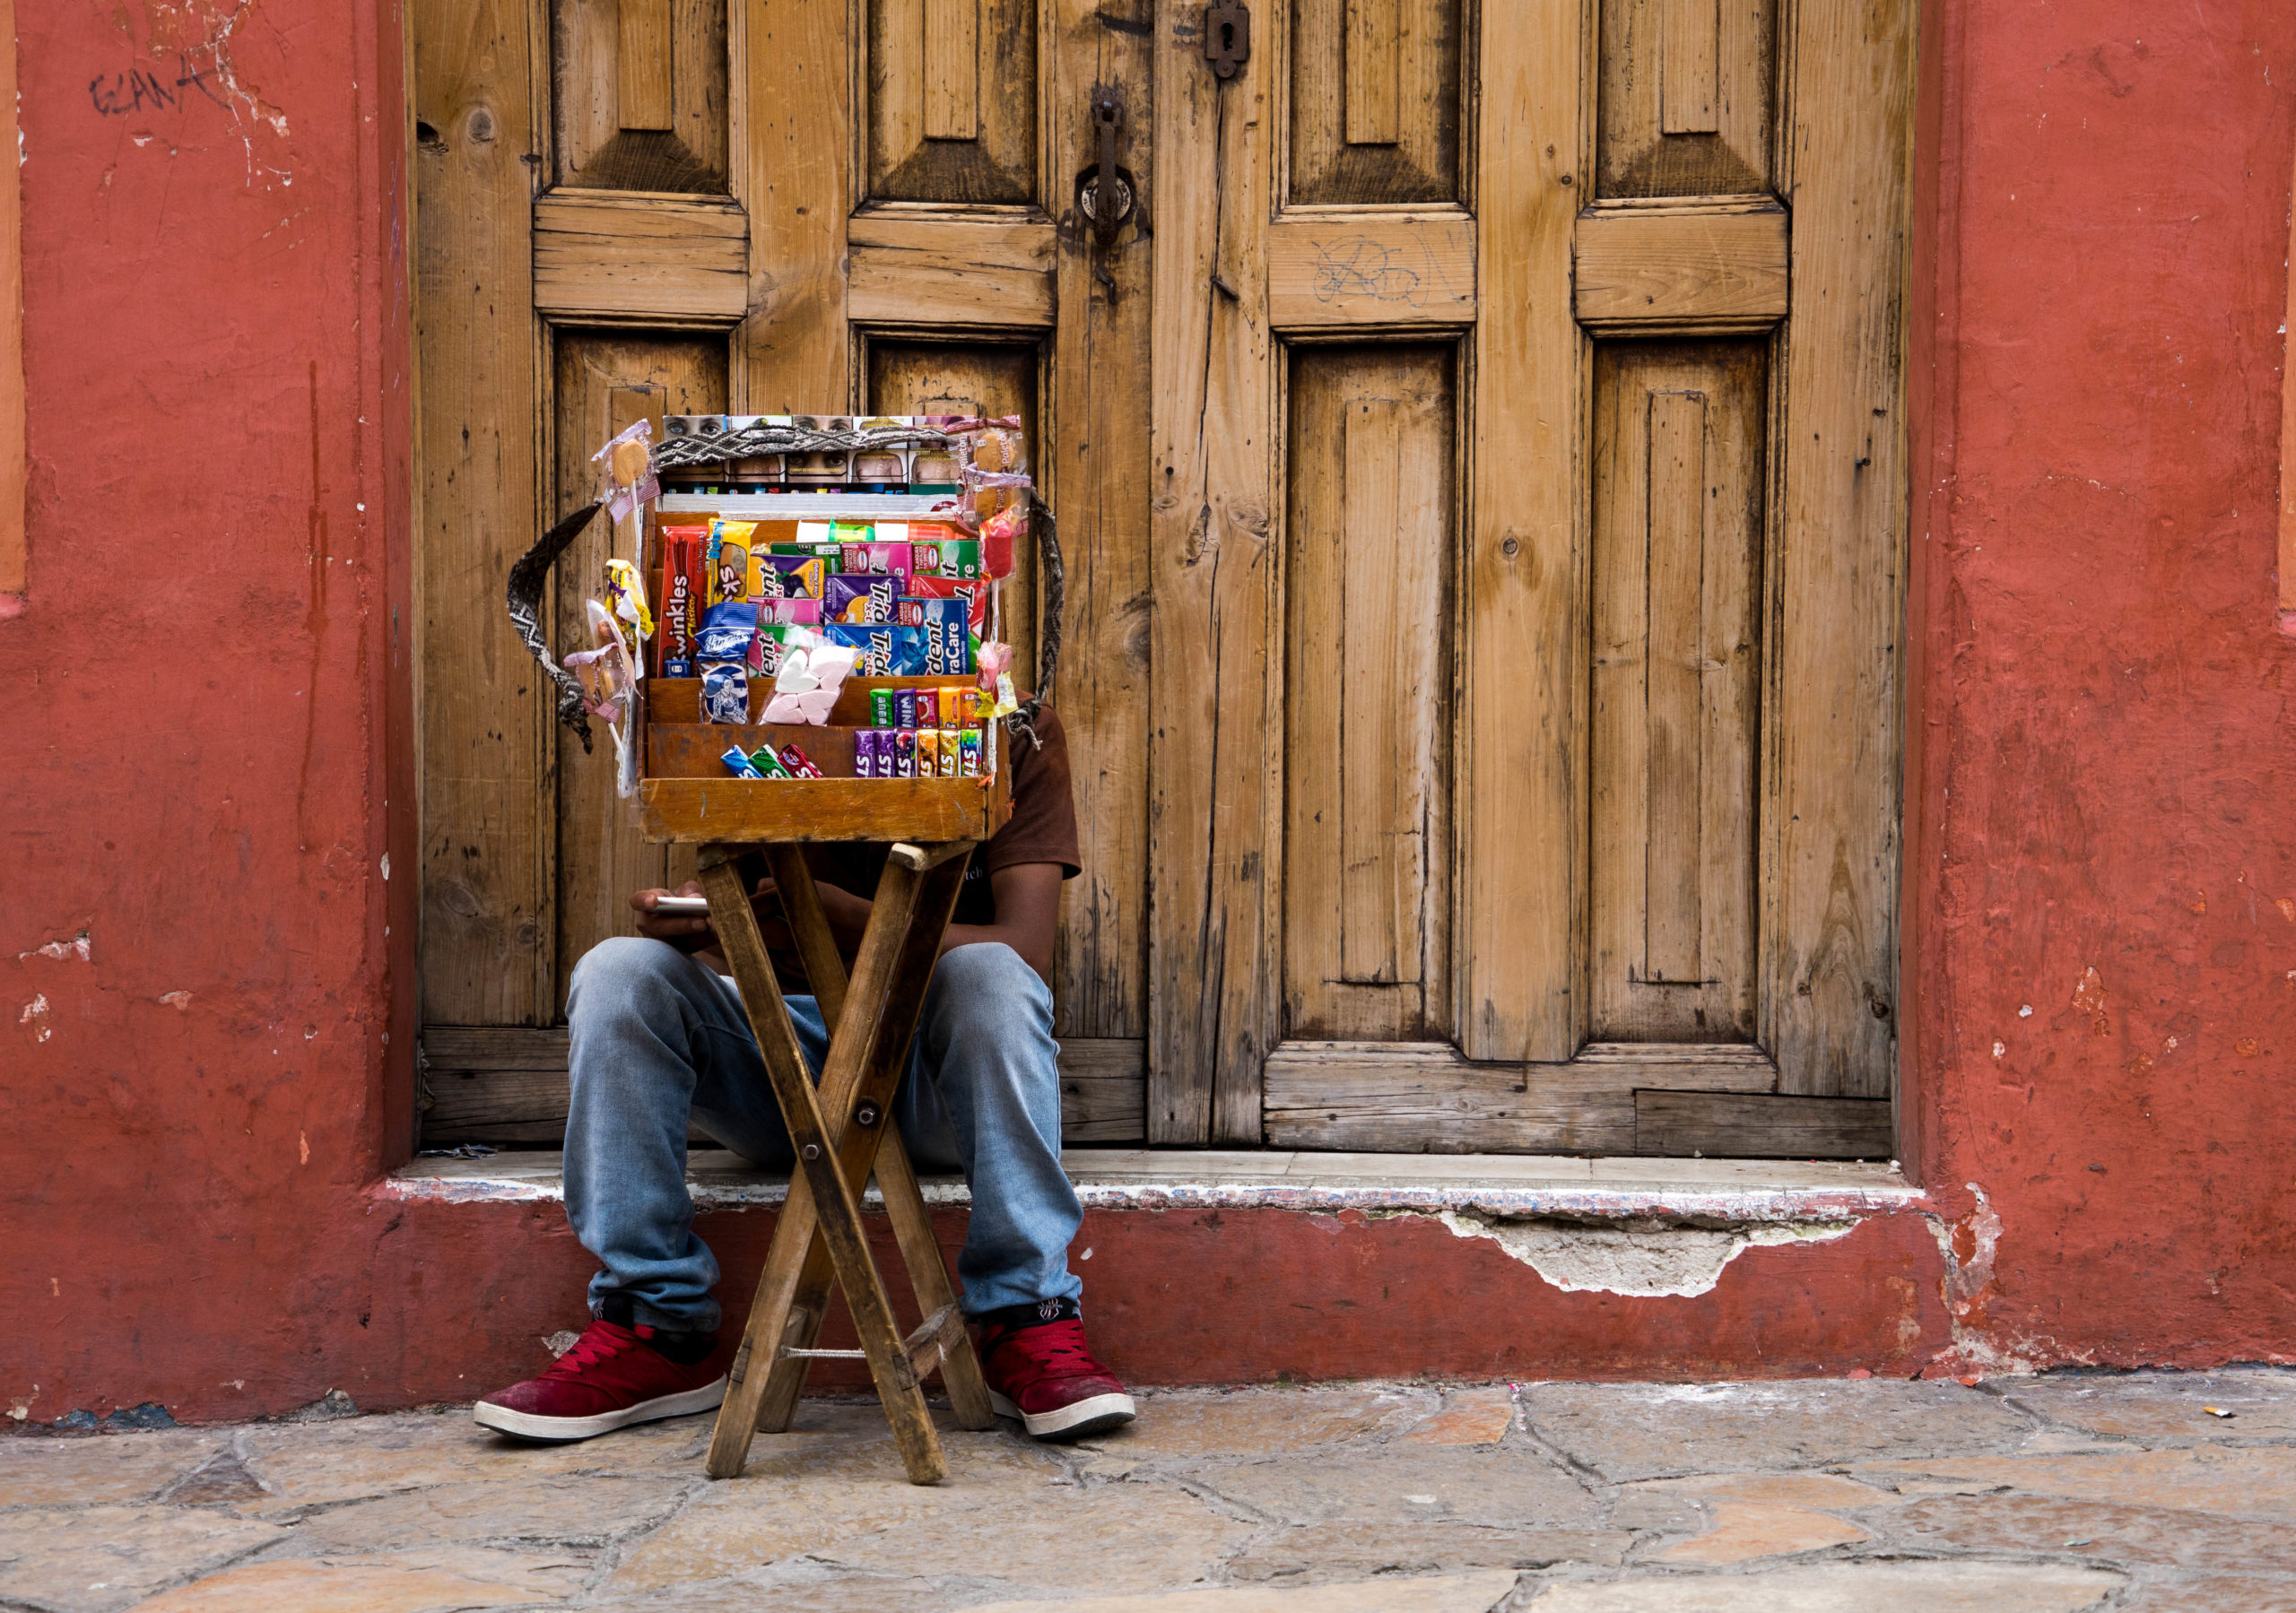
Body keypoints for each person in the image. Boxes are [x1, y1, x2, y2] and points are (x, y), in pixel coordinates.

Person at [473, 705, 1134, 1444]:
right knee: (618, 975)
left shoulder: (1013, 729)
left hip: (933, 1079)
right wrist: (708, 925)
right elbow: (743, 952)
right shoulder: (765, 713)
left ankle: (1026, 1314)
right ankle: (657, 1326)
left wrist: (846, 917)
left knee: (993, 975)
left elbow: (1026, 948)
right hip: (791, 1075)